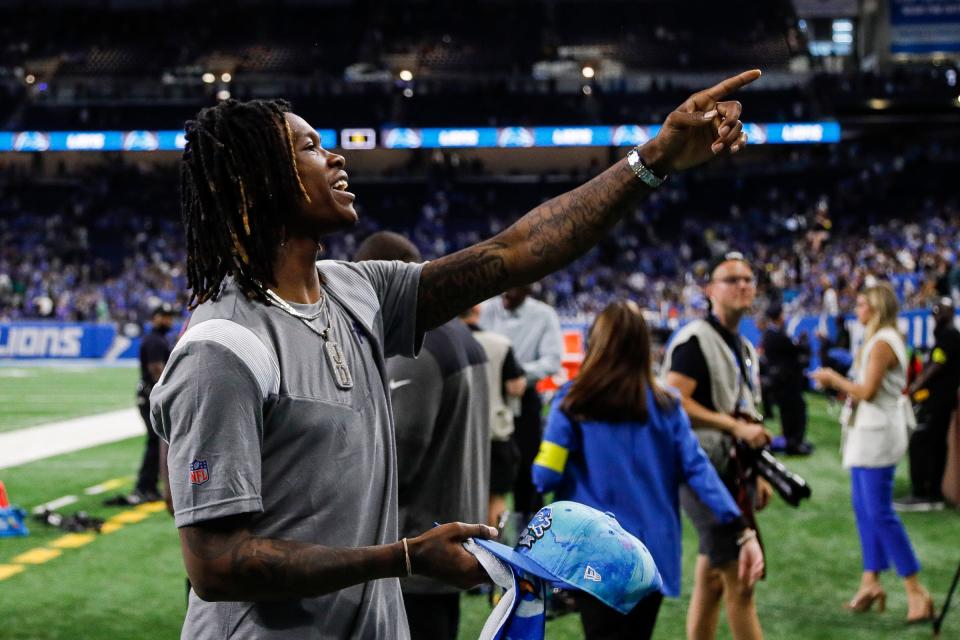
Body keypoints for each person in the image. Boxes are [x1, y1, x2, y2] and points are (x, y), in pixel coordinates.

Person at [150, 68, 761, 639]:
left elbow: (516, 252)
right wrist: (406, 557)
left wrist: (653, 159)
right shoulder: (224, 348)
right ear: (253, 184)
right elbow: (217, 563)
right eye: (309, 148)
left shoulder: (356, 292)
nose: (336, 157)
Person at [532, 301, 764, 640]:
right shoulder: (667, 404)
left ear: (594, 343)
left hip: (592, 554)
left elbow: (545, 477)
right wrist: (741, 527)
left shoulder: (571, 401)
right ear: (644, 347)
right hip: (651, 555)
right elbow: (699, 472)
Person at [353, 231, 490, 640]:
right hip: (449, 533)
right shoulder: (461, 335)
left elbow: (402, 448)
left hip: (416, 545)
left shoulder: (417, 345)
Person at [663, 252, 773, 640]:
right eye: (732, 279)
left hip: (729, 469)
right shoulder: (695, 341)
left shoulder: (741, 344)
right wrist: (732, 427)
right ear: (711, 291)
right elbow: (673, 402)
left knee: (714, 580)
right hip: (698, 470)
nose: (743, 285)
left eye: (748, 278)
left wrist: (757, 470)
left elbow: (745, 412)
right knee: (741, 579)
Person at [810, 284, 934, 623]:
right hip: (869, 432)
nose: (857, 309)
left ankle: (915, 591)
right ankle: (870, 581)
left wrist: (833, 379)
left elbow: (866, 391)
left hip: (878, 433)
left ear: (876, 307)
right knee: (864, 509)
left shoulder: (881, 342)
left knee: (879, 512)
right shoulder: (880, 339)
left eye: (863, 303)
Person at [479, 285, 563, 520]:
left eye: (515, 288)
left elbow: (552, 360)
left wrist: (516, 374)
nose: (507, 293)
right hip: (488, 398)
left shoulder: (544, 315)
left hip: (523, 399)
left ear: (529, 289)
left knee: (526, 475)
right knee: (483, 472)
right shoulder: (487, 309)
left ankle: (529, 537)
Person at [460, 304, 527, 529]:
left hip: (456, 435)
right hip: (494, 433)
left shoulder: (437, 342)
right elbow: (516, 387)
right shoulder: (499, 344)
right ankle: (493, 555)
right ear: (477, 310)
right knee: (495, 499)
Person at [898, 297, 960, 510]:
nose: (936, 316)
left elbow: (936, 365)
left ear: (949, 313)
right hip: (939, 400)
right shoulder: (946, 336)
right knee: (932, 444)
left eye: (940, 312)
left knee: (922, 442)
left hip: (939, 401)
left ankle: (924, 492)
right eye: (934, 312)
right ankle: (930, 492)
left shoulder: (949, 336)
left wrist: (914, 387)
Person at [130, 303, 175, 504]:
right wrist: (169, 392)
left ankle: (148, 485)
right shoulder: (155, 342)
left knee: (156, 441)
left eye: (169, 316)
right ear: (154, 318)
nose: (167, 320)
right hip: (151, 397)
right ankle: (144, 486)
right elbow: (157, 370)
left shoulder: (158, 339)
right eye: (163, 316)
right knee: (155, 441)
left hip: (150, 396)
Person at [761, 304, 813, 455]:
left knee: (792, 411)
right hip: (785, 382)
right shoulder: (774, 335)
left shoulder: (773, 334)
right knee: (793, 412)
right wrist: (802, 343)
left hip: (785, 381)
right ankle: (793, 443)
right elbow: (795, 349)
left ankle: (794, 441)